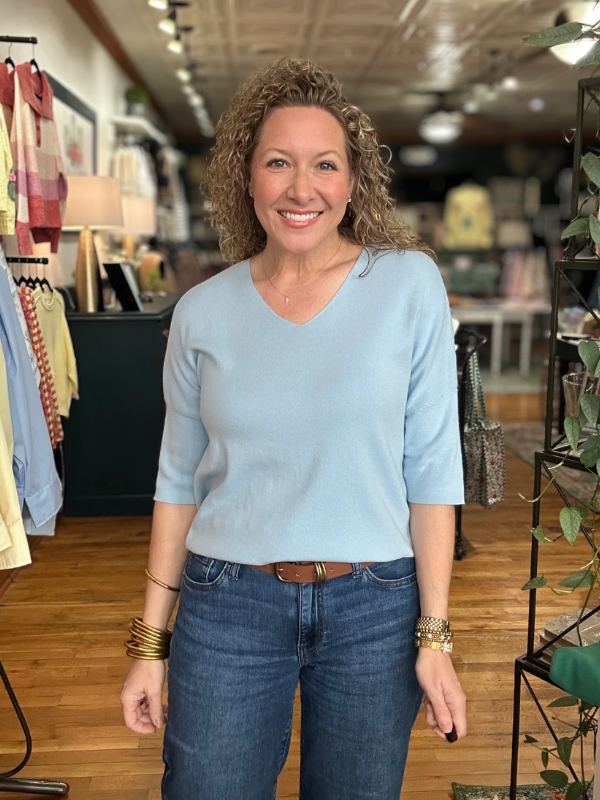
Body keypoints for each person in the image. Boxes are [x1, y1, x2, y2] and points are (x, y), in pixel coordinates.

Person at [120, 57, 467, 800]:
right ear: (248, 178)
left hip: (376, 606)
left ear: (353, 182)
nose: (301, 188)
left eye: (325, 165)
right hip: (227, 604)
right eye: (279, 162)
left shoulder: (408, 286)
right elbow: (178, 478)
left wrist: (435, 637)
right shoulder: (201, 313)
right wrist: (150, 644)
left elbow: (434, 469)